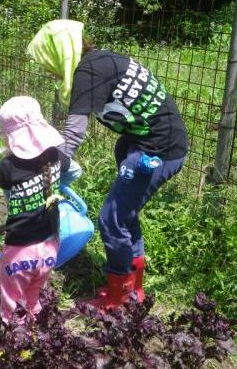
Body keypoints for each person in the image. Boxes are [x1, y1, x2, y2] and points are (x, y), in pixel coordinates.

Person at [27, 20, 188, 309]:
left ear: (58, 53)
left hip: (158, 149)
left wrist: (51, 171)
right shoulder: (99, 61)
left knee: (111, 219)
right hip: (142, 141)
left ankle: (118, 298)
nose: (46, 70)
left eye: (46, 62)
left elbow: (74, 132)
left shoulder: (88, 72)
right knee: (125, 214)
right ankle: (133, 290)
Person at [0, 96, 70, 323]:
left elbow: (10, 198)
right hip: (50, 246)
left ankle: (15, 338)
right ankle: (36, 324)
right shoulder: (58, 157)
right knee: (33, 292)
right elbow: (74, 171)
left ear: (10, 138)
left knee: (12, 301)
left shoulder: (8, 167)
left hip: (20, 250)